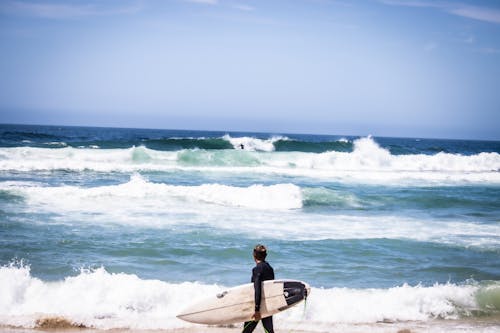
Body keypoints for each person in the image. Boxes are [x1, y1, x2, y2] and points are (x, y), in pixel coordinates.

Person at [242, 244, 275, 333]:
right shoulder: (270, 268)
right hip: (267, 305)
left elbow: (257, 288)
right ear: (265, 255)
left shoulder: (257, 269)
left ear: (254, 255)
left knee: (246, 331)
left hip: (258, 306)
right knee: (269, 331)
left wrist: (256, 309)